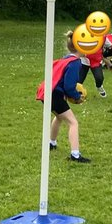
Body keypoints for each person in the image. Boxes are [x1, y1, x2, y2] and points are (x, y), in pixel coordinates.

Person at [37, 31, 90, 162]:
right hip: (54, 94)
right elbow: (69, 86)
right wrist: (76, 96)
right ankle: (75, 155)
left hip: (47, 93)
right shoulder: (75, 63)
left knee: (59, 117)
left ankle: (52, 143)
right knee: (73, 123)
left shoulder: (66, 58)